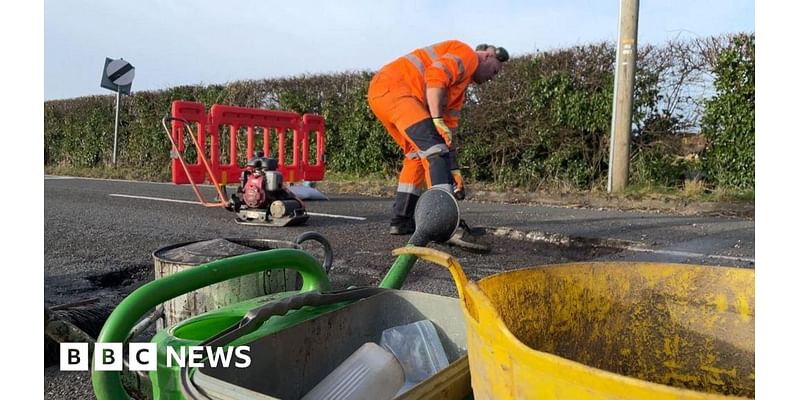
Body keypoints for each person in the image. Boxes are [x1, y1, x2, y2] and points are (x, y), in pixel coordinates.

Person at [368, 40, 509, 235]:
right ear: (487, 56)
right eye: (494, 71)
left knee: (416, 157)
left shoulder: (459, 90)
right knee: (435, 151)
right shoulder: (467, 55)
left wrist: (454, 169)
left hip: (384, 93)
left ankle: (401, 220)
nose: (492, 78)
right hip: (398, 91)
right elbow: (435, 76)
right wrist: (435, 118)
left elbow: (446, 132)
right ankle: (444, 223)